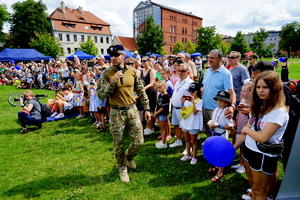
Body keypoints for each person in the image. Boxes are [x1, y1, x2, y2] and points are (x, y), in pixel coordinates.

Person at [97, 45, 151, 183]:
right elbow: (101, 94)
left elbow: (141, 91)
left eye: (116, 55)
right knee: (118, 143)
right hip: (116, 112)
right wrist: (113, 81)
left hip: (132, 109)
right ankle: (122, 168)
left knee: (139, 141)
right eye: (111, 56)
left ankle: (129, 157)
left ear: (123, 56)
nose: (113, 58)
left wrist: (147, 109)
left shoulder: (132, 71)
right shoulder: (106, 74)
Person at [234, 71, 289, 200]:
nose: (260, 91)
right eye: (258, 87)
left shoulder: (278, 112)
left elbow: (262, 137)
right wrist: (234, 147)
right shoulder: (259, 105)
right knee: (253, 186)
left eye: (265, 87)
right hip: (249, 150)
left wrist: (247, 130)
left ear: (275, 88)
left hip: (263, 154)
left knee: (259, 191)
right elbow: (247, 130)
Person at [202, 49, 236, 138]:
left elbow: (231, 92)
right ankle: (210, 147)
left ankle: (219, 149)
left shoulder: (225, 73)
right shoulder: (207, 71)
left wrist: (232, 106)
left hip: (217, 110)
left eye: (212, 58)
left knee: (219, 133)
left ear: (220, 59)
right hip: (205, 107)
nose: (209, 60)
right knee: (208, 131)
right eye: (209, 57)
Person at [207, 90, 234, 181]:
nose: (219, 102)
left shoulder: (227, 112)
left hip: (222, 135)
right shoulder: (216, 109)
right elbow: (213, 120)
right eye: (217, 100)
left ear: (226, 101)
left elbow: (231, 127)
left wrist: (219, 125)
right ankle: (216, 165)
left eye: (221, 100)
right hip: (214, 134)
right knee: (215, 152)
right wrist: (211, 126)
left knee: (222, 153)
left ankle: (220, 173)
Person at [169, 63, 194, 148]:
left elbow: (193, 97)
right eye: (179, 70)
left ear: (188, 72)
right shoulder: (178, 82)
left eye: (183, 71)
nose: (180, 72)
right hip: (175, 108)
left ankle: (189, 146)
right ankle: (178, 140)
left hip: (183, 109)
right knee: (176, 125)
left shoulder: (190, 83)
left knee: (185, 127)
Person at [231, 83, 252, 174]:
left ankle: (243, 165)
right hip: (240, 127)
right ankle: (240, 163)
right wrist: (235, 125)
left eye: (244, 91)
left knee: (244, 147)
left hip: (246, 129)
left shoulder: (252, 104)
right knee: (240, 146)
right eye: (242, 91)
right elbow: (238, 115)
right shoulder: (242, 100)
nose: (242, 93)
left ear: (251, 92)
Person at [180, 82, 203, 164]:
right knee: (187, 139)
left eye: (192, 91)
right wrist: (182, 102)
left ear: (197, 92)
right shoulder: (187, 100)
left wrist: (193, 102)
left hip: (193, 124)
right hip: (186, 122)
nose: (190, 93)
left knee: (194, 141)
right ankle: (188, 154)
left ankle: (194, 156)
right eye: (189, 91)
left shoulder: (199, 101)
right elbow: (184, 111)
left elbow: (194, 112)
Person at [140, 56, 157, 136]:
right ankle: (148, 125)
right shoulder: (141, 71)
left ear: (149, 61)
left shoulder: (152, 71)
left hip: (150, 92)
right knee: (145, 109)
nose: (143, 62)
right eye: (142, 61)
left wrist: (143, 89)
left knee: (150, 110)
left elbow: (152, 83)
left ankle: (151, 127)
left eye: (144, 61)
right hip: (144, 93)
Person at [154, 81, 170, 149]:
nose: (158, 89)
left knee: (163, 129)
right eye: (157, 88)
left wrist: (156, 113)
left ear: (164, 87)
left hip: (162, 114)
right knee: (161, 128)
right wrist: (155, 111)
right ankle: (162, 140)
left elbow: (164, 107)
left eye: (160, 87)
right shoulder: (160, 95)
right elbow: (157, 104)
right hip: (158, 113)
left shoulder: (166, 96)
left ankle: (164, 142)